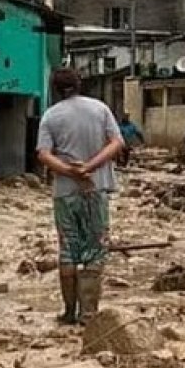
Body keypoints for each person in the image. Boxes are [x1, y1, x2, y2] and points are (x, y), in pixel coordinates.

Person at [37, 68, 125, 325]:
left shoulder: (51, 115)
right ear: (79, 85)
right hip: (96, 189)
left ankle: (68, 312)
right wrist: (90, 167)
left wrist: (69, 171)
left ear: (54, 88)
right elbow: (117, 142)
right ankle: (89, 314)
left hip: (65, 192)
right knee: (95, 249)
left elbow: (43, 153)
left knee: (68, 249)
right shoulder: (100, 109)